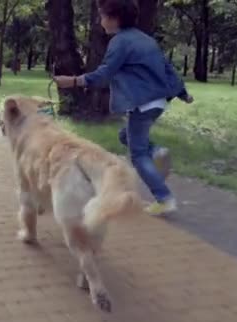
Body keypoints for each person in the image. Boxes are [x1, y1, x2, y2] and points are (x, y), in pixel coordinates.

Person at [54, 0, 192, 216]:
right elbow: (167, 67)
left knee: (137, 155)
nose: (100, 21)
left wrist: (72, 81)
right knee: (125, 135)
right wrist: (183, 92)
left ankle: (164, 198)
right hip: (158, 102)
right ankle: (156, 152)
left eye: (102, 16)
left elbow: (103, 74)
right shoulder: (146, 39)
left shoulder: (120, 42)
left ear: (114, 18)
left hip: (142, 103)